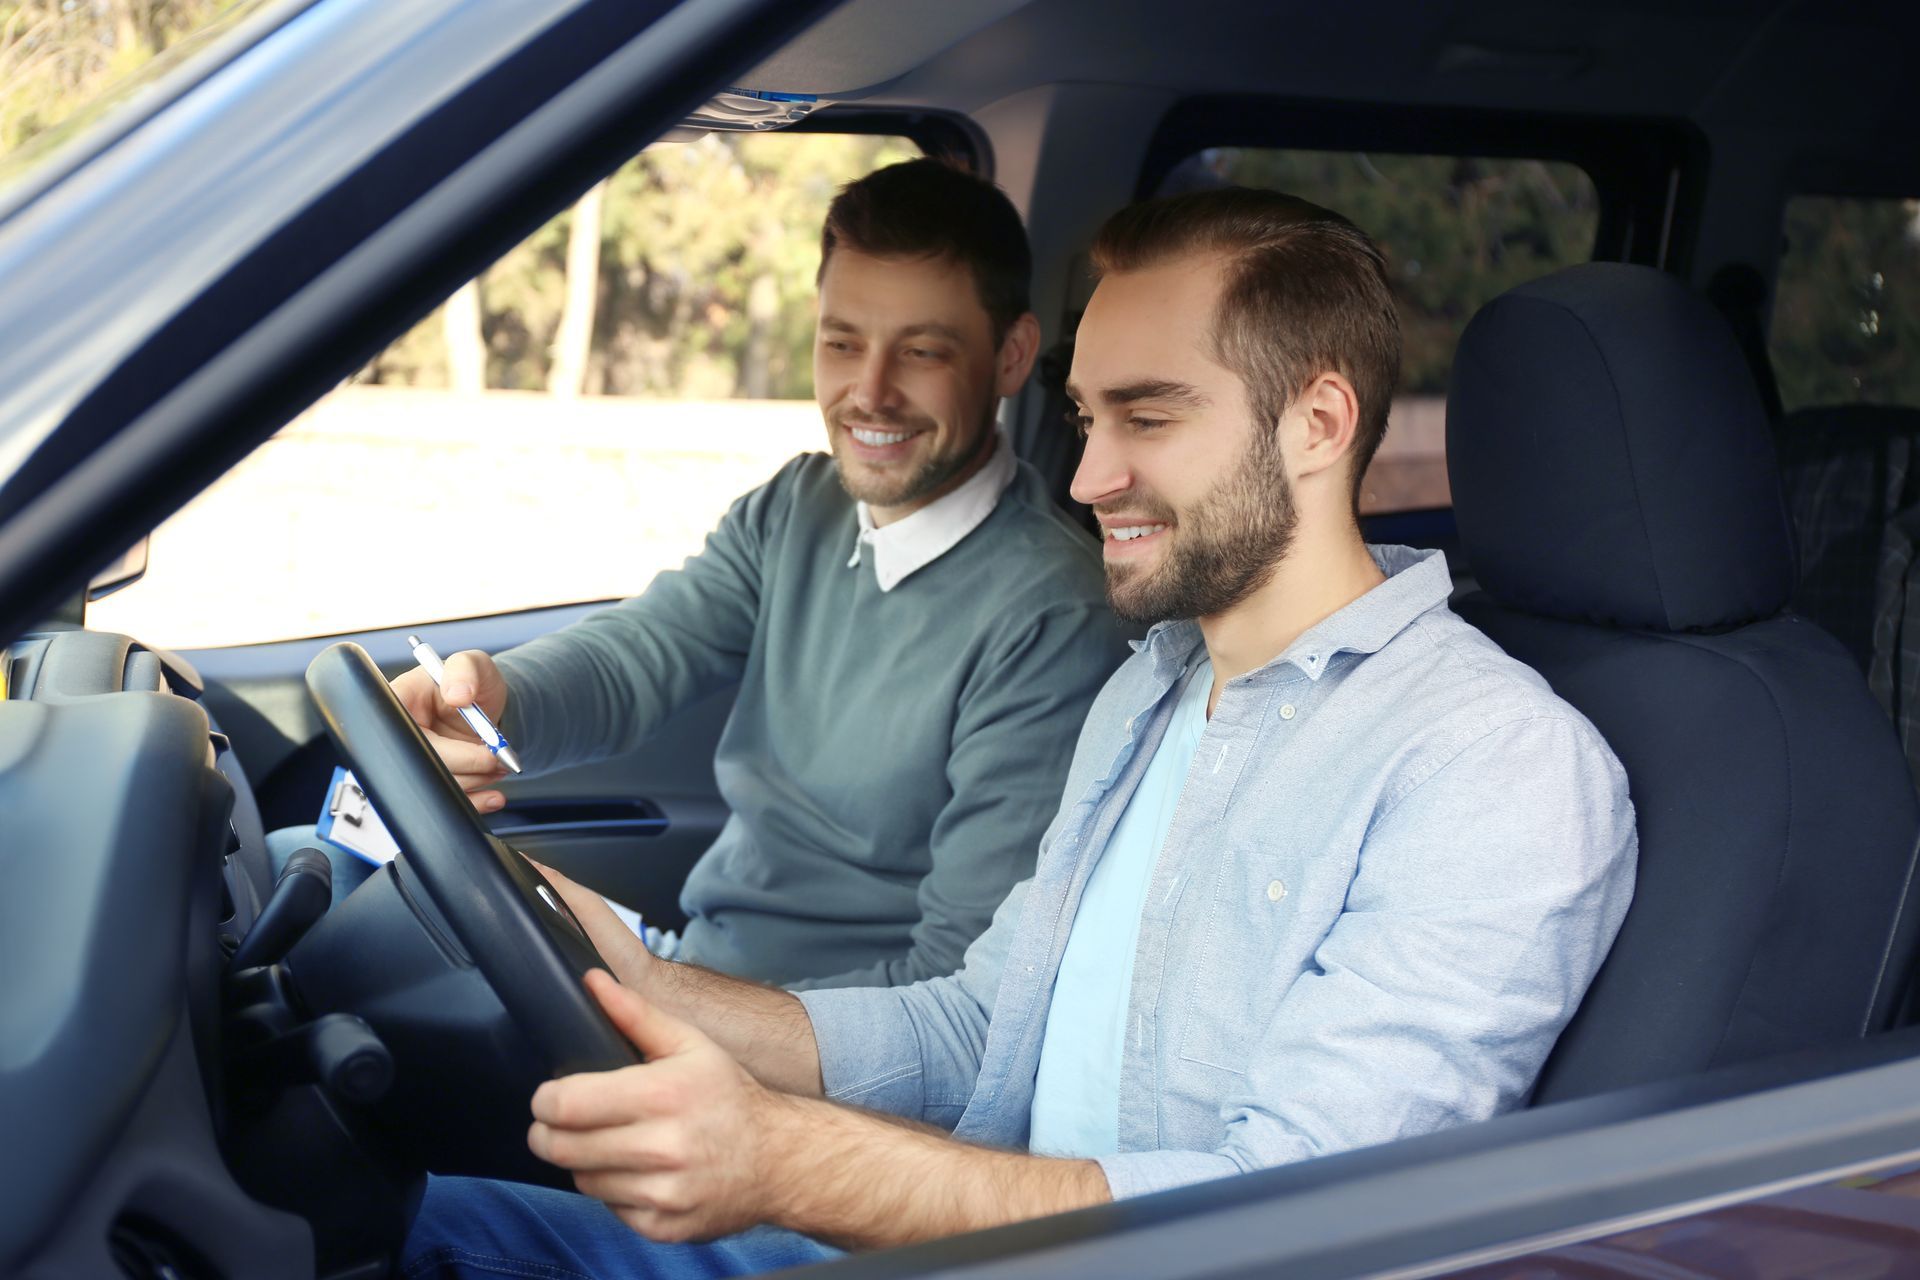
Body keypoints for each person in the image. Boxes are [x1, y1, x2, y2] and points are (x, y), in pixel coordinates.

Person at [398, 187, 1638, 1278]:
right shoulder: (1153, 688)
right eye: (1088, 416)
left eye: (1147, 419)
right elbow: (981, 1031)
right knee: (381, 1220)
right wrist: (652, 982)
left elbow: (1293, 1214)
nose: (1089, 475)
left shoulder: (1493, 766)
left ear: (1318, 424)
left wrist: (789, 1161)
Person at [275, 158, 1129, 991]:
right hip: (702, 971)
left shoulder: (1054, 617)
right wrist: (495, 696)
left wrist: (671, 1013)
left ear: (1012, 356)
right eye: (841, 342)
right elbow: (638, 655)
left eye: (923, 352)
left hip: (803, 1062)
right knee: (310, 878)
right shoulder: (800, 505)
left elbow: (953, 989)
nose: (869, 392)